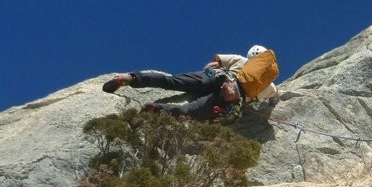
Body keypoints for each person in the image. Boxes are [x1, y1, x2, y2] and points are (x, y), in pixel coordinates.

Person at [102, 45, 278, 123]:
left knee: (171, 81)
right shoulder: (268, 86)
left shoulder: (239, 59)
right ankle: (156, 109)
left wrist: (205, 76)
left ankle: (131, 78)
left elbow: (212, 65)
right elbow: (274, 97)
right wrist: (270, 102)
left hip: (216, 76)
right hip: (230, 95)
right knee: (188, 111)